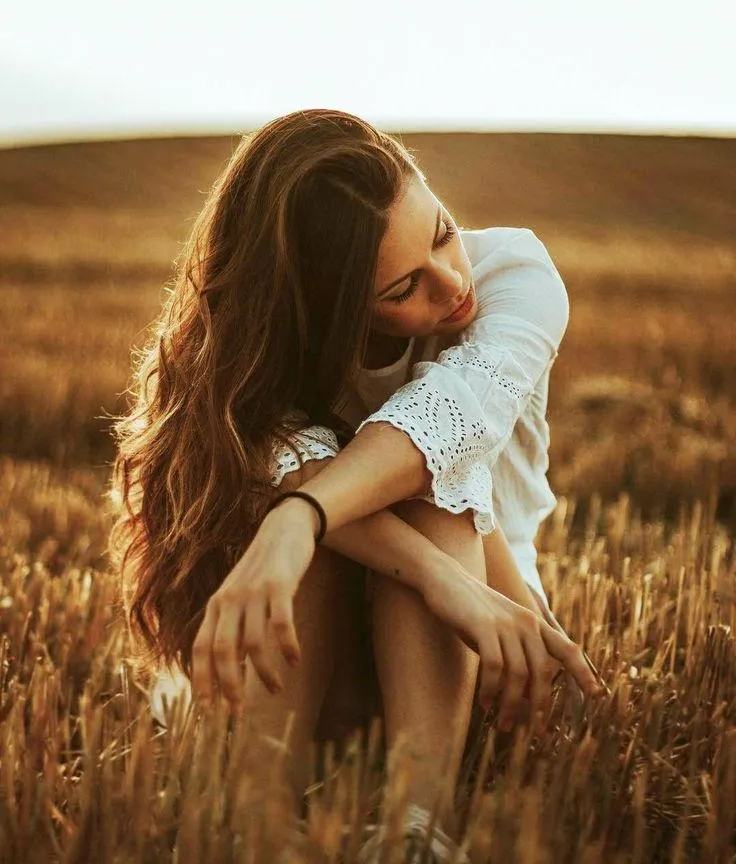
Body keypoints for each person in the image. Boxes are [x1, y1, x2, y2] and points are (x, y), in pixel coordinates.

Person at [108, 108, 604, 864]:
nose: (451, 285)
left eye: (440, 231)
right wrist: (411, 565)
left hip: (485, 625)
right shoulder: (273, 356)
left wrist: (296, 518)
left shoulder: (515, 274)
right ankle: (256, 819)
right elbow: (300, 474)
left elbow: (444, 426)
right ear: (328, 309)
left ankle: (418, 831)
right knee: (340, 505)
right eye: (405, 288)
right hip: (341, 628)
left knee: (430, 489)